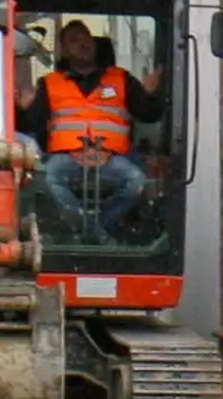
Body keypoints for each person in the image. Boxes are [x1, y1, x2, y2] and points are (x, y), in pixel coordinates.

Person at [15, 19, 163, 239]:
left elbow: (149, 115)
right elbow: (31, 127)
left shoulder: (121, 79)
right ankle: (99, 236)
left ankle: (90, 233)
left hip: (112, 160)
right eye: (74, 40)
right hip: (66, 159)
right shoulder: (49, 84)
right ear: (63, 51)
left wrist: (150, 93)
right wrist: (22, 109)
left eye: (86, 37)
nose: (83, 43)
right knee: (45, 179)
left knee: (137, 181)